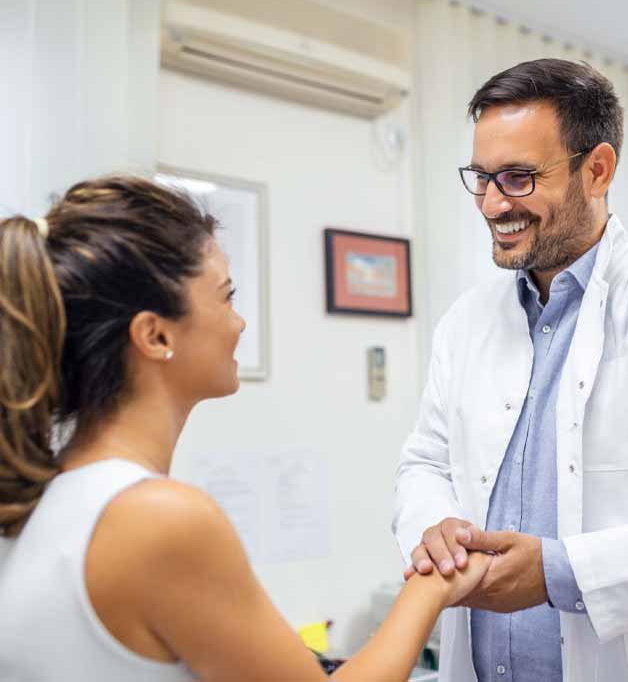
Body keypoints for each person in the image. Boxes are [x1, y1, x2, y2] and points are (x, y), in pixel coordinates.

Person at [0, 176, 490, 682]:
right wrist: (432, 584)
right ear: (155, 335)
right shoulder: (157, 520)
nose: (239, 324)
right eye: (226, 297)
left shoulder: (42, 497)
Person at [393, 58, 628, 682]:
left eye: (519, 178)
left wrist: (561, 573)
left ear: (597, 170)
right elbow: (425, 463)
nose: (494, 204)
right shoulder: (466, 321)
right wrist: (435, 528)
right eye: (482, 178)